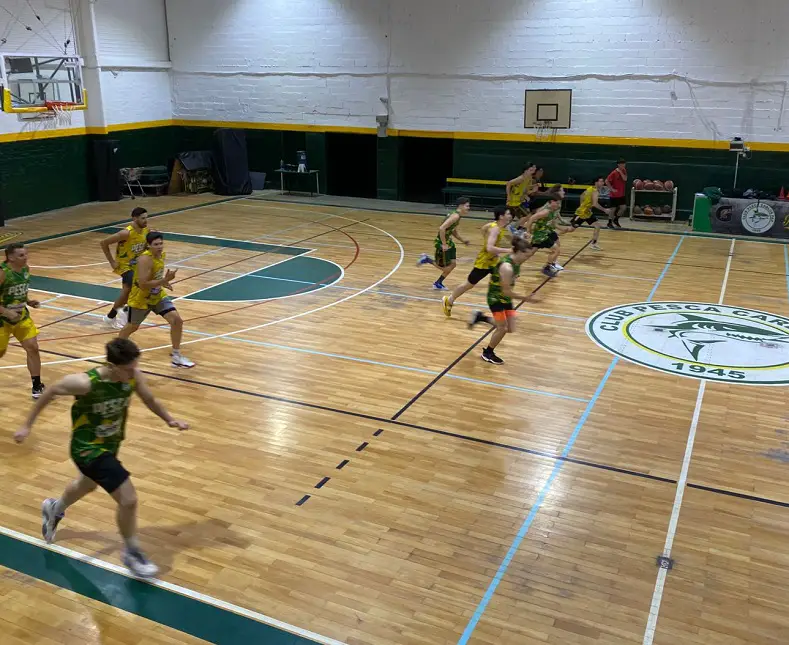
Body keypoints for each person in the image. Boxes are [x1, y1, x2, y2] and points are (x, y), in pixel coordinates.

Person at [14, 338, 188, 578]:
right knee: (128, 500)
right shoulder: (86, 383)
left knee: (87, 484)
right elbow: (51, 392)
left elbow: (150, 399)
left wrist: (169, 419)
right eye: (128, 369)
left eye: (135, 367)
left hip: (110, 445)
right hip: (87, 448)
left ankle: (55, 509)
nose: (134, 373)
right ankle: (132, 552)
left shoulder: (132, 377)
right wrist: (27, 425)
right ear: (113, 366)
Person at [118, 232, 195, 368]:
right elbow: (143, 284)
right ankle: (117, 351)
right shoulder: (144, 260)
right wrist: (164, 280)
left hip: (157, 295)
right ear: (148, 245)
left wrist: (164, 283)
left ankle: (176, 356)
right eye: (156, 244)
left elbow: (155, 276)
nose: (159, 246)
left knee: (177, 321)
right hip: (141, 299)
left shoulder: (160, 255)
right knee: (132, 327)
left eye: (161, 243)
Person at [468, 236, 535, 365]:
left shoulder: (516, 262)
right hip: (495, 298)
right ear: (519, 252)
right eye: (526, 255)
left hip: (505, 298)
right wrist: (526, 298)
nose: (528, 258)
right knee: (502, 328)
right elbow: (506, 291)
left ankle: (481, 317)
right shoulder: (507, 267)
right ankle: (488, 353)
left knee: (510, 328)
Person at [442, 205, 517, 317]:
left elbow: (483, 229)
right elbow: (489, 248)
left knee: (505, 279)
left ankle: (504, 307)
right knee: (469, 284)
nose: (510, 216)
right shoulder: (495, 229)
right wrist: (509, 250)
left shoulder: (495, 226)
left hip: (494, 261)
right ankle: (449, 300)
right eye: (508, 214)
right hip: (484, 262)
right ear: (501, 216)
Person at [0, 243, 44, 398]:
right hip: (2, 320)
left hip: (21, 316)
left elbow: (20, 289)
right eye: (21, 255)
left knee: (33, 348)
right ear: (11, 257)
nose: (26, 257)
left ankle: (37, 385)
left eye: (26, 254)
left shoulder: (25, 269)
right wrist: (6, 312)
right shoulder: (2, 273)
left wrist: (28, 301)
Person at [100, 207, 150, 329]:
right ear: (135, 218)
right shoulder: (126, 233)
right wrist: (112, 262)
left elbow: (144, 248)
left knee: (126, 292)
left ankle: (110, 317)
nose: (145, 220)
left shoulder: (145, 231)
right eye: (143, 218)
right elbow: (103, 243)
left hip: (137, 266)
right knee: (137, 285)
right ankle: (126, 310)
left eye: (146, 218)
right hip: (125, 266)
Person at [417, 197, 471, 290]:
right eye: (467, 206)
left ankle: (438, 283)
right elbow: (442, 228)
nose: (468, 208)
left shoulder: (457, 216)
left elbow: (453, 231)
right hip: (443, 243)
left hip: (449, 242)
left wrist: (463, 240)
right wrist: (444, 244)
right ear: (461, 206)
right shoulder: (455, 216)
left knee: (453, 265)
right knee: (446, 268)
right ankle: (427, 259)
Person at [525, 185, 574, 278]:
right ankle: (547, 267)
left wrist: (562, 227)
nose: (564, 192)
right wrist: (528, 231)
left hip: (546, 231)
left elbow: (552, 221)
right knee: (556, 249)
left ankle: (516, 262)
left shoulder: (554, 208)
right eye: (562, 190)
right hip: (541, 233)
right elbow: (532, 218)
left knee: (530, 252)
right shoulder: (546, 210)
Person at [570, 176, 611, 251]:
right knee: (570, 229)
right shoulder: (594, 191)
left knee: (597, 225)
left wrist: (583, 205)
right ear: (596, 182)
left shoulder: (590, 188)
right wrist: (604, 210)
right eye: (601, 181)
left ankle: (593, 244)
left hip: (588, 212)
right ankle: (555, 235)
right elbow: (595, 204)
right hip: (581, 213)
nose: (603, 183)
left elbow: (582, 196)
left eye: (603, 181)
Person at [505, 163, 538, 231]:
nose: (532, 171)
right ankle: (514, 227)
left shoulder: (529, 178)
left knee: (509, 218)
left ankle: (499, 227)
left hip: (519, 201)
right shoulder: (521, 178)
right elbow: (508, 184)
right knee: (527, 215)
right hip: (513, 201)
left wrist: (533, 190)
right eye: (530, 170)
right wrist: (508, 196)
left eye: (533, 170)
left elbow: (526, 191)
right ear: (525, 171)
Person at [605, 159, 627, 228]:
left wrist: (620, 171)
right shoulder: (614, 173)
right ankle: (609, 222)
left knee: (623, 207)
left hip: (621, 194)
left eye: (624, 164)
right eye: (622, 164)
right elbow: (606, 181)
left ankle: (616, 219)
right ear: (618, 165)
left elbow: (625, 179)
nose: (623, 165)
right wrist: (611, 189)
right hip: (614, 195)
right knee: (613, 209)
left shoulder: (624, 171)